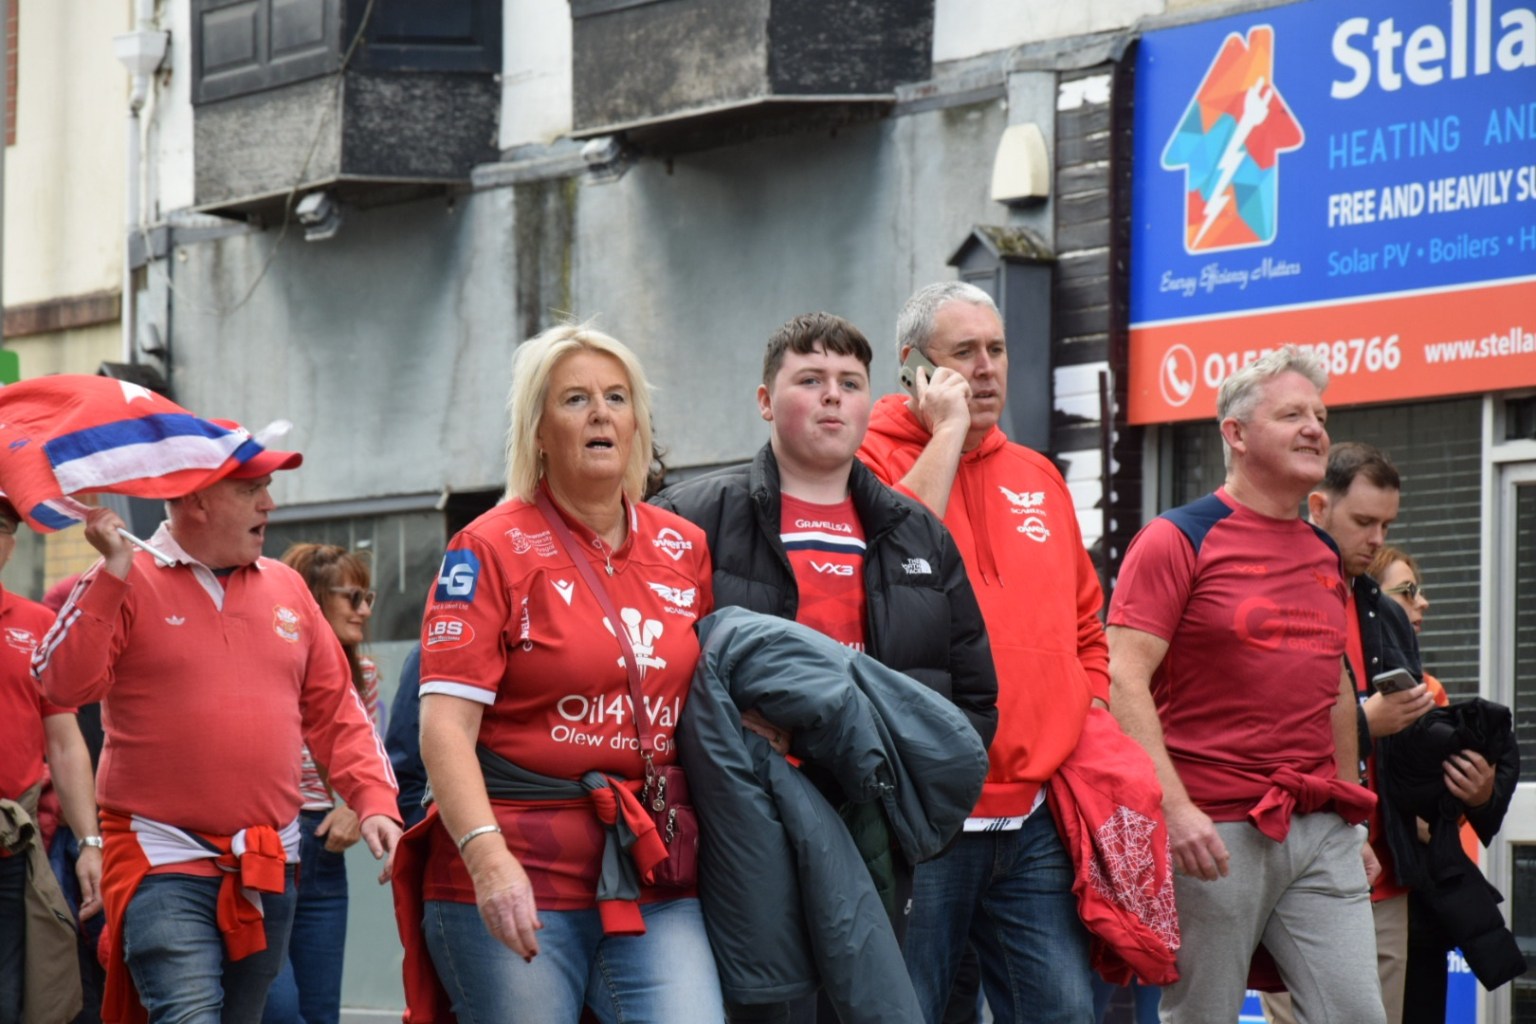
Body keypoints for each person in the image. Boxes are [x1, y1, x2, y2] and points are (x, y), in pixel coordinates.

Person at [653, 311, 998, 1021]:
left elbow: (970, 697)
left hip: (869, 820)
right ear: (764, 400)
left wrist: (906, 800)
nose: (833, 395)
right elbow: (648, 669)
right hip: (740, 820)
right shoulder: (691, 517)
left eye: (849, 382)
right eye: (809, 380)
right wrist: (736, 738)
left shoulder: (917, 534)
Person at [400, 323, 724, 1023]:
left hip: (651, 869)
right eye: (576, 399)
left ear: (636, 423)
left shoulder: (685, 547)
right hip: (519, 868)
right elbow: (443, 731)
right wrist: (489, 862)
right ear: (539, 432)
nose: (601, 413)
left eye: (617, 397)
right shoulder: (485, 548)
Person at [33, 441, 402, 1024]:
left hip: (270, 859)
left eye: (266, 489)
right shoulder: (121, 576)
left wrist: (375, 799)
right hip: (161, 856)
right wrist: (111, 575)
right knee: (189, 1014)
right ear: (197, 500)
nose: (269, 504)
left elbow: (339, 711)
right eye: (251, 490)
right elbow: (59, 682)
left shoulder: (288, 587)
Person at [1106, 345, 1385, 1024]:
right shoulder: (1177, 538)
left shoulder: (1325, 552)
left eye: (1320, 416)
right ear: (1234, 433)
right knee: (1202, 1015)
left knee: (1357, 1014)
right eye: (1292, 415)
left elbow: (1336, 685)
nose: (1315, 428)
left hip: (1317, 824)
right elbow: (1121, 677)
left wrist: (1351, 813)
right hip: (1216, 828)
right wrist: (1175, 811)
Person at [857, 282, 1109, 1024]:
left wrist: (1087, 710)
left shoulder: (1038, 475)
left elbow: (1086, 624)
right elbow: (895, 559)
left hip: (1034, 816)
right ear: (914, 366)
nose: (988, 368)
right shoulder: (863, 460)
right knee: (909, 1012)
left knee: (1065, 1014)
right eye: (964, 352)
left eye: (997, 349)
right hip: (923, 815)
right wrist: (947, 433)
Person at [1260, 443, 1442, 1024]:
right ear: (1318, 506)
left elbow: (1407, 745)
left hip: (1381, 867)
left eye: (1386, 524)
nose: (1376, 539)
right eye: (1364, 522)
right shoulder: (1270, 597)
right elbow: (1264, 731)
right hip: (1293, 859)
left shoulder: (1383, 611)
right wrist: (1367, 723)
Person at [1368, 546, 1498, 1024]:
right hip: (1337, 888)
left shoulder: (1426, 690)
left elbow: (1438, 813)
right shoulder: (1327, 678)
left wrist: (1478, 793)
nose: (1422, 602)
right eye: (1408, 591)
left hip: (1412, 893)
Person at [262, 544, 383, 1024]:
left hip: (322, 850)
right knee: (277, 1009)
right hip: (266, 845)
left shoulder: (363, 673)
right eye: (352, 597)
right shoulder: (273, 664)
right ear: (313, 598)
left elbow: (365, 753)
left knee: (319, 1013)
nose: (365, 610)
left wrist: (355, 807)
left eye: (368, 597)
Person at [0, 502, 101, 1024]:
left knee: (11, 1001)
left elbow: (65, 743)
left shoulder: (39, 624)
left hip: (11, 851)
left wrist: (90, 843)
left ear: (12, 544)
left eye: (2, 528)